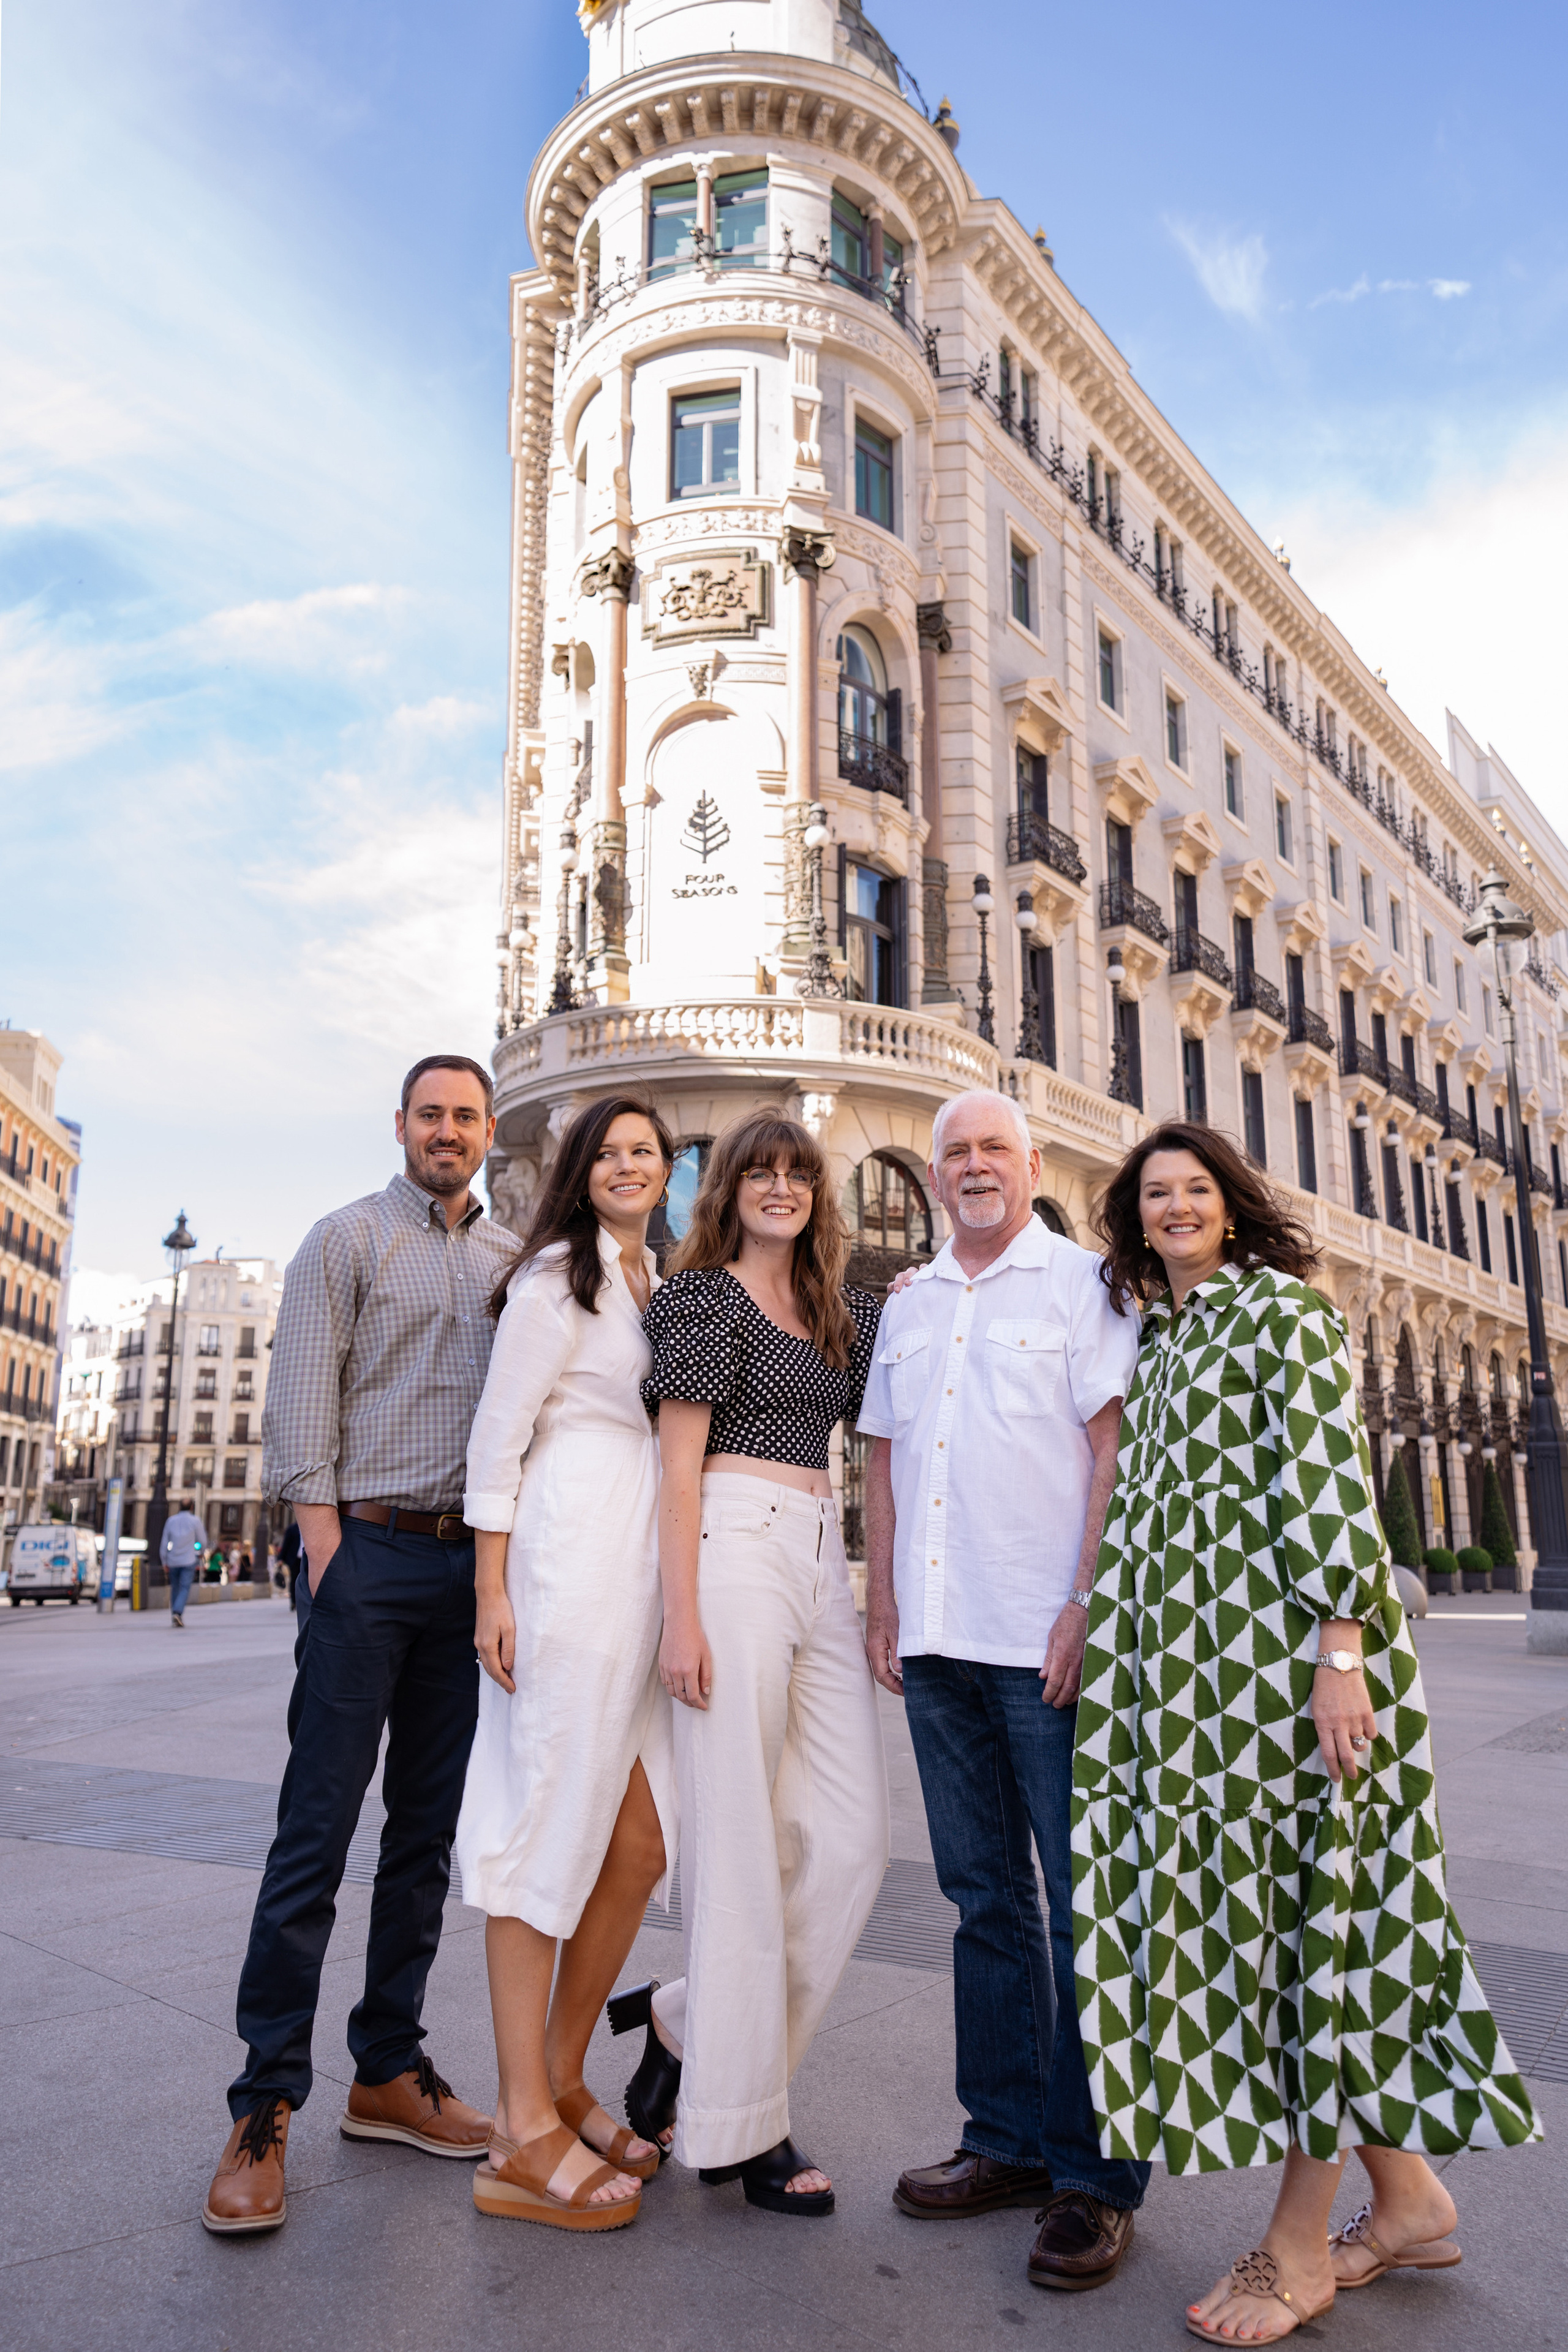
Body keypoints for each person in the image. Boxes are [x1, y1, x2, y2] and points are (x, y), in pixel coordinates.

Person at [1072, 1121, 1539, 2342]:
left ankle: (1296, 2244)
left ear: (1232, 1206)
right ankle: (1404, 2200)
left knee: (1308, 1928)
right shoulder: (1164, 1340)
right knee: (1303, 1920)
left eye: (1194, 1190)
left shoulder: (1278, 1314)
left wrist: (1340, 1658)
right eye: (1152, 1195)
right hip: (1194, 1699)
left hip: (1284, 1682)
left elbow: (1328, 1482)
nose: (1173, 1207)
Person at [203, 1054, 519, 2237]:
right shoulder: (344, 1238)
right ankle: (264, 2104)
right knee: (315, 1834)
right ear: (401, 1125)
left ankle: (388, 2069)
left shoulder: (508, 1261)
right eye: (431, 1114)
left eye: (466, 1117)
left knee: (424, 1841)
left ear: (489, 1131)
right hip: (367, 1558)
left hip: (462, 1571)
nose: (448, 1131)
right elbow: (301, 1397)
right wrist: (326, 1546)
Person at [860, 1088, 1149, 2289]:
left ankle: (1092, 2178)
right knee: (983, 1899)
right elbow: (877, 1457)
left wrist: (1083, 1600)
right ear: (934, 1178)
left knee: (1083, 1909)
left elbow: (1110, 1451)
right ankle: (1005, 2142)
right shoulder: (910, 1304)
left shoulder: (1083, 1286)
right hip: (935, 1640)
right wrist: (880, 1604)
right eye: (955, 1153)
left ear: (1028, 1166)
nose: (973, 1166)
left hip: (1044, 1641)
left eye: (993, 1148)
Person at [633, 1106, 886, 2216]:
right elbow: (677, 1468)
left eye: (798, 1174)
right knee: (736, 1847)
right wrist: (677, 1615)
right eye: (760, 1173)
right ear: (725, 1189)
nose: (780, 1188)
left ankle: (685, 2020)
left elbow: (922, 1365)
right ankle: (745, 2128)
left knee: (850, 1843)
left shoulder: (840, 1310)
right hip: (729, 1546)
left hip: (821, 1559)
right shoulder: (698, 1298)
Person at [456, 1095, 679, 2234]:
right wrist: (493, 1591)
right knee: (540, 1830)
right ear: (580, 1172)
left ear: (666, 1170)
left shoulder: (655, 1283)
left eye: (646, 1152)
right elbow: (497, 1441)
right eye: (609, 1153)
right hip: (565, 1575)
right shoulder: (556, 1282)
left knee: (638, 1847)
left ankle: (559, 2073)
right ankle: (521, 2129)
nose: (627, 1166)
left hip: (635, 1588)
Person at [160, 1505, 205, 1627]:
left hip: (173, 1560)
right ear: (191, 1507)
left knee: (175, 1587)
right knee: (185, 1587)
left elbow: (164, 1542)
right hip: (188, 1560)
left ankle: (174, 1614)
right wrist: (201, 1553)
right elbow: (202, 1540)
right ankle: (178, 1612)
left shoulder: (171, 1521)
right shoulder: (195, 1521)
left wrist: (164, 1560)